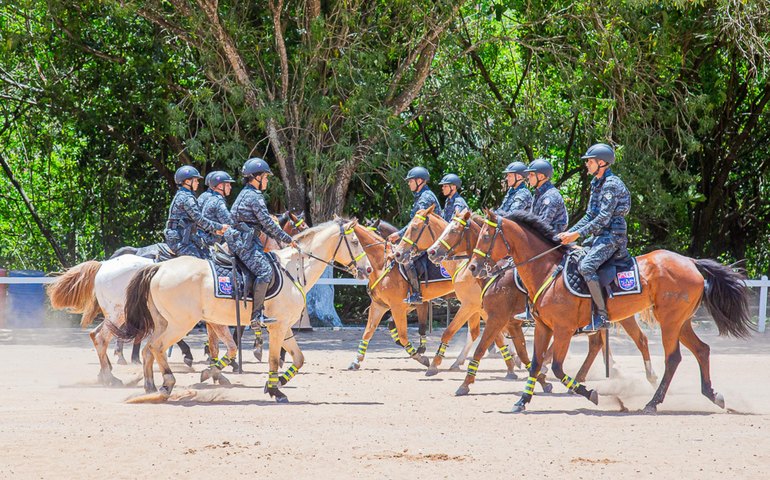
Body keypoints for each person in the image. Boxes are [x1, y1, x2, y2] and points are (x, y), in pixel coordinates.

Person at [556, 143, 630, 332]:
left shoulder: (612, 184)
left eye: (590, 161)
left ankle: (602, 316)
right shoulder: (596, 183)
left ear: (602, 163)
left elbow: (604, 218)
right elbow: (590, 215)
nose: (587, 164)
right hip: (599, 235)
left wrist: (577, 234)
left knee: (587, 266)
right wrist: (569, 233)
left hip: (613, 236)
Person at [225, 158, 298, 328]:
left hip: (243, 239)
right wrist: (288, 239)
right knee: (265, 271)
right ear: (256, 178)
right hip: (245, 243)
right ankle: (256, 316)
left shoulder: (244, 193)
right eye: (265, 177)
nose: (267, 180)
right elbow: (267, 223)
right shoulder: (254, 196)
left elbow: (261, 225)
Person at [513, 159, 567, 321]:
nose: (528, 177)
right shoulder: (539, 194)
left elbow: (542, 224)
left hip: (552, 241)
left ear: (541, 176)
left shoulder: (550, 197)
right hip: (541, 239)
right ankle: (529, 306)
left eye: (531, 174)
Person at [387, 166, 442, 304]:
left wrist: (399, 235)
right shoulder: (421, 196)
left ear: (420, 181)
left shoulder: (425, 198)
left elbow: (415, 223)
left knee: (407, 259)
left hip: (431, 238)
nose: (409, 183)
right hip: (426, 236)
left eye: (411, 181)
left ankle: (417, 293)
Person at [164, 165, 228, 258]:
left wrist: (215, 230)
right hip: (179, 239)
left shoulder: (184, 195)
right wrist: (220, 227)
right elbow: (199, 219)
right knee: (198, 262)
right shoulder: (186, 198)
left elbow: (195, 221)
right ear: (187, 181)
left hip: (185, 236)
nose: (198, 183)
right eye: (196, 180)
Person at [200, 171, 235, 245]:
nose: (230, 187)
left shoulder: (212, 198)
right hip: (210, 242)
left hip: (205, 238)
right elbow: (230, 222)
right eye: (228, 185)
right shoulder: (218, 201)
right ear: (220, 186)